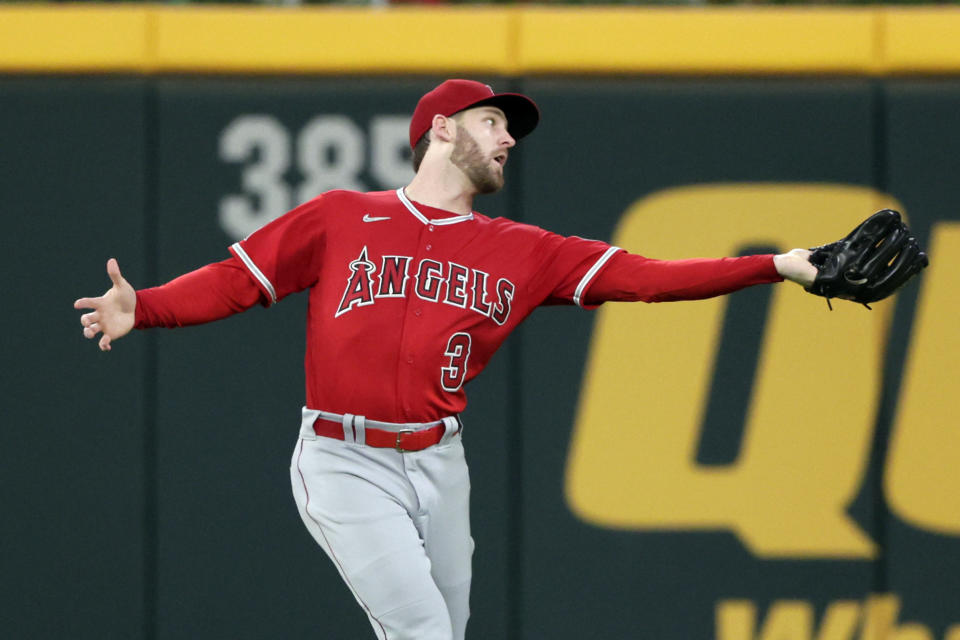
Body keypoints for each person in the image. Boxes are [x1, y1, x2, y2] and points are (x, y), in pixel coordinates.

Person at [74, 79, 817, 640]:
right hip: (344, 459)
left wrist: (774, 266)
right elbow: (240, 280)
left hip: (440, 466)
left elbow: (649, 278)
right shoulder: (342, 217)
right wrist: (148, 306)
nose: (507, 139)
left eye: (509, 130)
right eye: (491, 122)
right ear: (440, 130)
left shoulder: (527, 251)